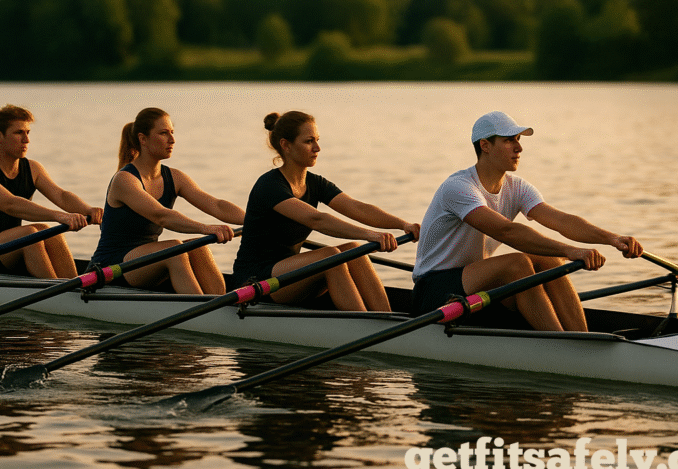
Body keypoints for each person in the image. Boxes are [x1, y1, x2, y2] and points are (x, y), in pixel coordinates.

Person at [411, 111, 643, 331]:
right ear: (485, 146)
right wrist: (571, 251)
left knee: (548, 259)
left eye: (519, 140)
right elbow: (507, 231)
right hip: (433, 292)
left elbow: (560, 220)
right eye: (509, 140)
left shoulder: (517, 187)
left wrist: (612, 238)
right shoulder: (459, 187)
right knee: (517, 264)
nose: (519, 147)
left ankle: (582, 338)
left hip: (473, 283)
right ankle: (561, 345)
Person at [231, 111, 420, 312]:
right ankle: (364, 325)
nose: (317, 148)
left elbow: (357, 207)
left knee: (353, 251)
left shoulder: (315, 183)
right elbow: (317, 219)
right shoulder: (269, 186)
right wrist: (370, 235)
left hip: (290, 274)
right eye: (309, 141)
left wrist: (403, 224)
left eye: (317, 140)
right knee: (330, 255)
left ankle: (386, 318)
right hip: (256, 281)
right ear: (286, 145)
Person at [91, 107, 245, 295]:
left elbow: (217, 205)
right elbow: (161, 215)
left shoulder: (175, 177)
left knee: (199, 247)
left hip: (145, 263)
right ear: (143, 139)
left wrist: (254, 220)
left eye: (172, 132)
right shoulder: (124, 180)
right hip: (110, 267)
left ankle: (221, 307)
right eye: (164, 133)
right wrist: (206, 228)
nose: (172, 139)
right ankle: (202, 313)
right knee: (175, 250)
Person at [0, 104, 102, 279]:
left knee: (47, 232)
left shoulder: (33, 168)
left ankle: (74, 287)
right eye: (19, 133)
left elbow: (61, 195)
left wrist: (89, 211)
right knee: (30, 234)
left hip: (8, 250)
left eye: (28, 133)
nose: (27, 140)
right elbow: (10, 204)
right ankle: (57, 293)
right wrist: (60, 216)